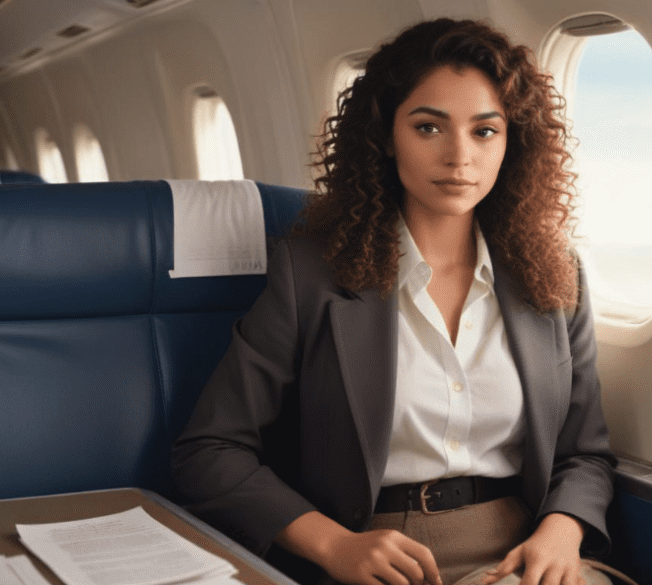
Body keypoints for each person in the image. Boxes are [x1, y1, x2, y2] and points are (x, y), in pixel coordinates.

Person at [172, 17, 616, 585]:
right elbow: (210, 452)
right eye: (429, 128)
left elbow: (585, 453)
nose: (460, 156)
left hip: (525, 556)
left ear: (513, 141)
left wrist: (562, 530)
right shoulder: (309, 274)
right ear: (385, 136)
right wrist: (334, 546)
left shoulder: (553, 275)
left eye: (485, 131)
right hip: (378, 559)